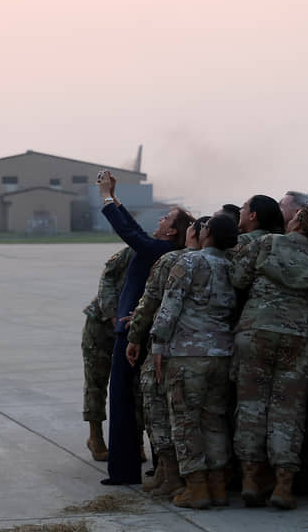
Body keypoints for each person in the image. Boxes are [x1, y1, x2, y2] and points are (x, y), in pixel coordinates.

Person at [231, 207, 308, 510]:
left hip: (256, 331)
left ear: (296, 222)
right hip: (299, 338)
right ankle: (283, 486)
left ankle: (250, 480)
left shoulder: (267, 243)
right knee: (288, 412)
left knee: (251, 406)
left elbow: (238, 278)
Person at [98, 170, 194, 485]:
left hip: (132, 334)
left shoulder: (161, 251)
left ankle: (125, 470)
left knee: (125, 402)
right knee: (144, 404)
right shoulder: (161, 249)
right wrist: (115, 196)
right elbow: (136, 230)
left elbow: (130, 232)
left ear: (172, 231)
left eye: (167, 219)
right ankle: (153, 467)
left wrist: (107, 198)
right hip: (140, 332)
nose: (161, 220)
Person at [149, 215, 239, 509]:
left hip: (188, 354)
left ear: (208, 233)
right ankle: (218, 486)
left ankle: (196, 487)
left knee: (186, 422)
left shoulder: (189, 262)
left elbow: (170, 305)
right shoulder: (232, 266)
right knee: (214, 421)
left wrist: (158, 344)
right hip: (222, 353)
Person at [126, 216, 208, 496]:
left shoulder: (172, 260)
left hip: (169, 348)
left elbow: (149, 304)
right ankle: (179, 477)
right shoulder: (222, 262)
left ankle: (172, 475)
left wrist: (135, 336)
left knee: (159, 411)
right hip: (210, 351)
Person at [81, 246, 134, 461]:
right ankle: (96, 436)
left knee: (133, 386)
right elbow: (107, 279)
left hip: (132, 327)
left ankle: (136, 441)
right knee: (97, 380)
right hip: (102, 323)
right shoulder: (132, 251)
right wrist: (113, 314)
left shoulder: (170, 255)